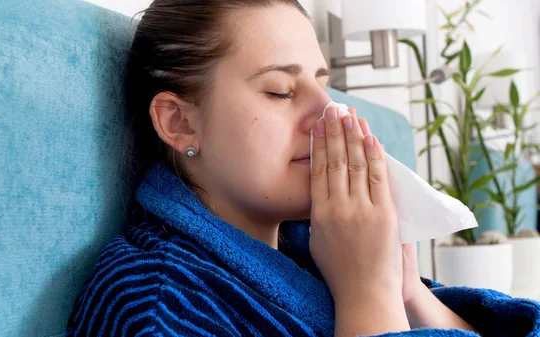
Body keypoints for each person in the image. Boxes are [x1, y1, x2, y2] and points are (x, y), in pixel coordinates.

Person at [67, 0, 540, 336]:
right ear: (180, 122)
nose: (331, 116)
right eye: (280, 91)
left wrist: (405, 291)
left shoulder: (320, 254)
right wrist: (365, 297)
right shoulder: (155, 303)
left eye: (323, 86)